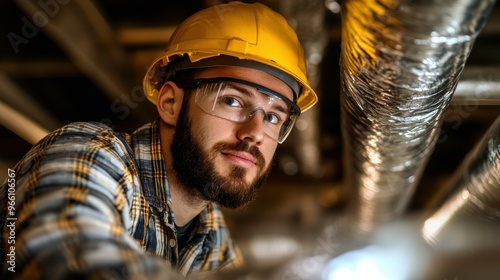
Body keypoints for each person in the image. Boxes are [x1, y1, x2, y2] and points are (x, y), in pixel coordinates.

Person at [0, 2, 318, 279]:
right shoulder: (88, 152)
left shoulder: (211, 236)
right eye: (232, 101)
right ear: (170, 103)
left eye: (274, 116)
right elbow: (72, 264)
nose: (256, 133)